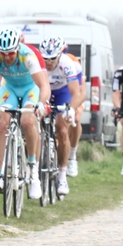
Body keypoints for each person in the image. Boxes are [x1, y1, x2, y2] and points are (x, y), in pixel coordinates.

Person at [0, 28, 51, 199]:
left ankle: (33, 171)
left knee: (28, 121)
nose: (7, 57)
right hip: (9, 88)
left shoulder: (28, 55)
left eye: (10, 53)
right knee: (2, 123)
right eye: (4, 53)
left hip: (29, 89)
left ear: (18, 48)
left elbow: (43, 85)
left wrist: (41, 103)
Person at [39, 37, 84, 195]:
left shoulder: (67, 63)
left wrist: (71, 109)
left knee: (62, 129)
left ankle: (63, 175)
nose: (49, 62)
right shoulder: (37, 62)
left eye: (52, 59)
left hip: (62, 92)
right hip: (43, 91)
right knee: (30, 121)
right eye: (46, 59)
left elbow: (76, 93)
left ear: (59, 55)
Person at [62, 42, 87, 178]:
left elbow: (81, 90)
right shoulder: (46, 61)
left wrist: (74, 107)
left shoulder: (72, 61)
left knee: (75, 120)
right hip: (54, 92)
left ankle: (72, 156)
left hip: (72, 94)